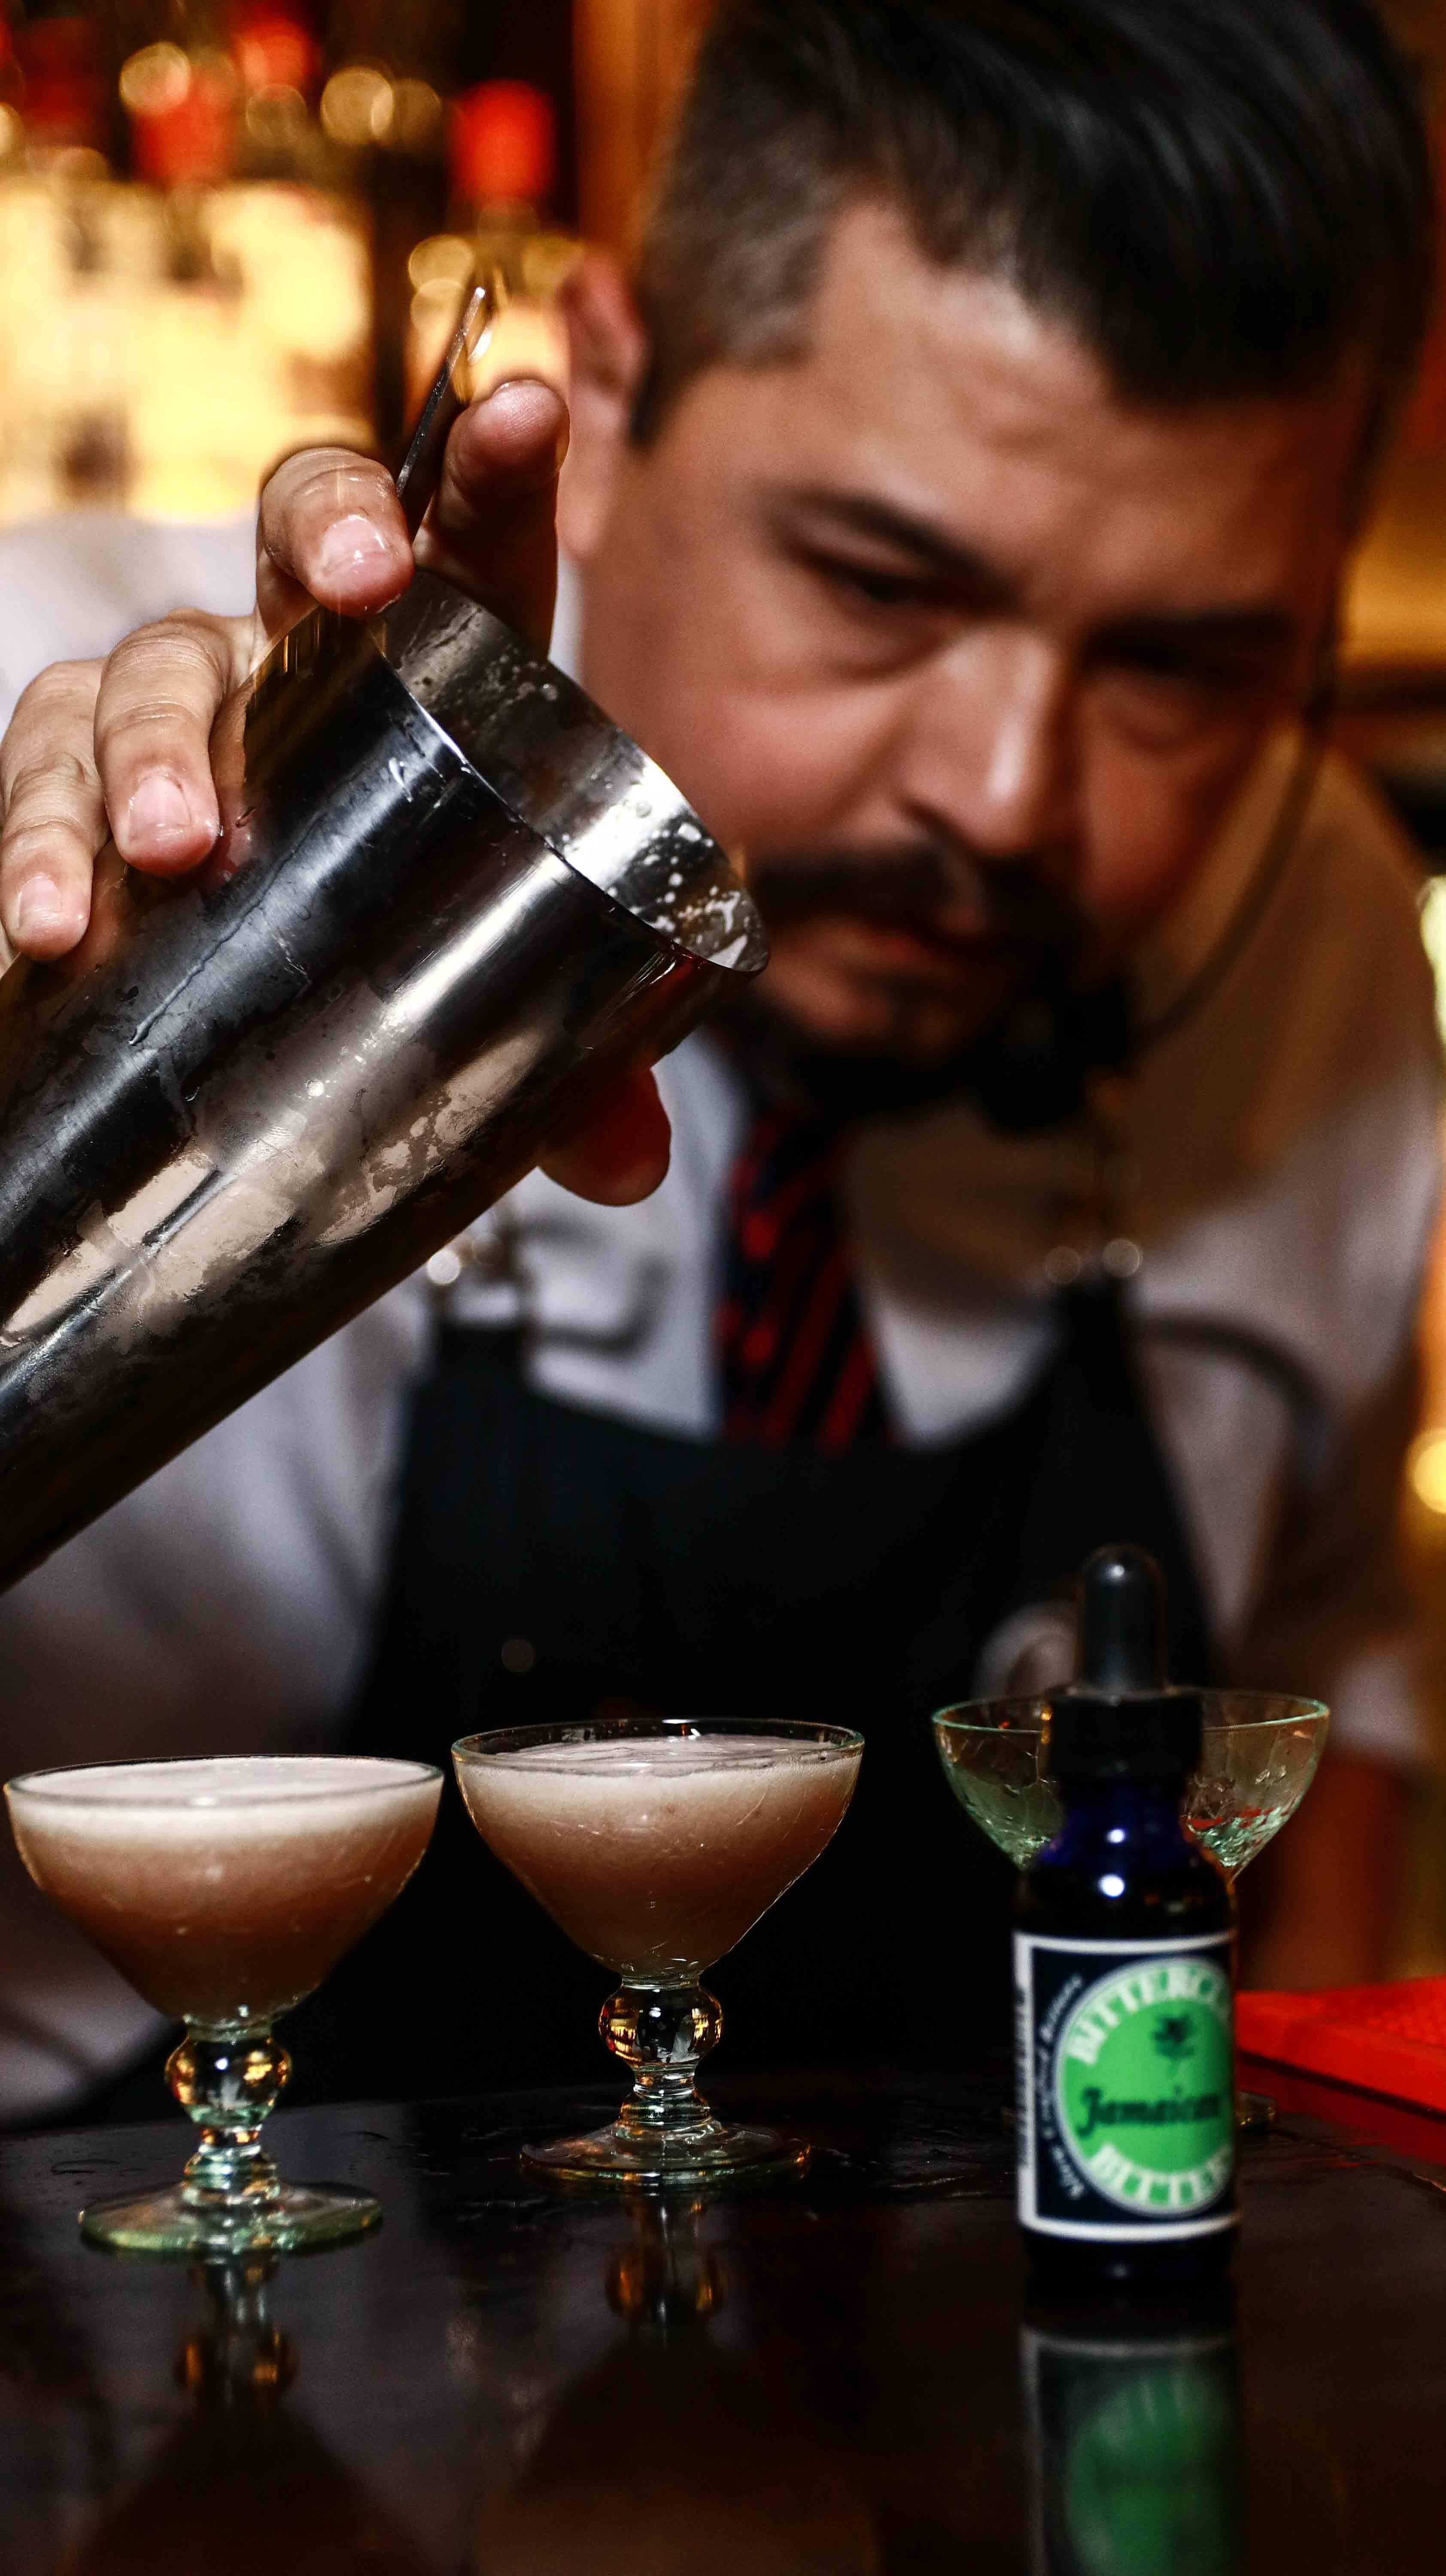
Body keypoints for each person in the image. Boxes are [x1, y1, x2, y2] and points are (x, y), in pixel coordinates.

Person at [0, 0, 1438, 2124]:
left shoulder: (1304, 939)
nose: (1006, 797)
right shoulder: (88, 732)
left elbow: (1316, 1774)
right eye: (878, 584)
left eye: (1178, 668)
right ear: (605, 388)